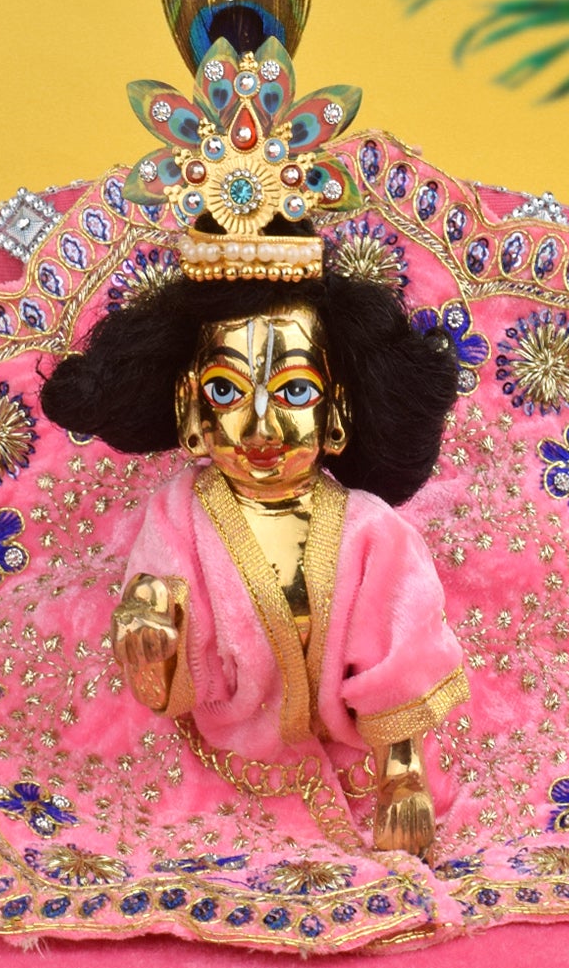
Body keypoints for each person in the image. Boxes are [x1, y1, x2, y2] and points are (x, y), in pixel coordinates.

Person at [40, 257, 466, 857]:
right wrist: (153, 644)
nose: (261, 426)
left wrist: (403, 778)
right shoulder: (179, 517)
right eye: (226, 391)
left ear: (336, 412)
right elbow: (169, 654)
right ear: (191, 410)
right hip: (225, 766)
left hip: (357, 766)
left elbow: (401, 660)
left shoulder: (371, 531)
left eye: (295, 391)